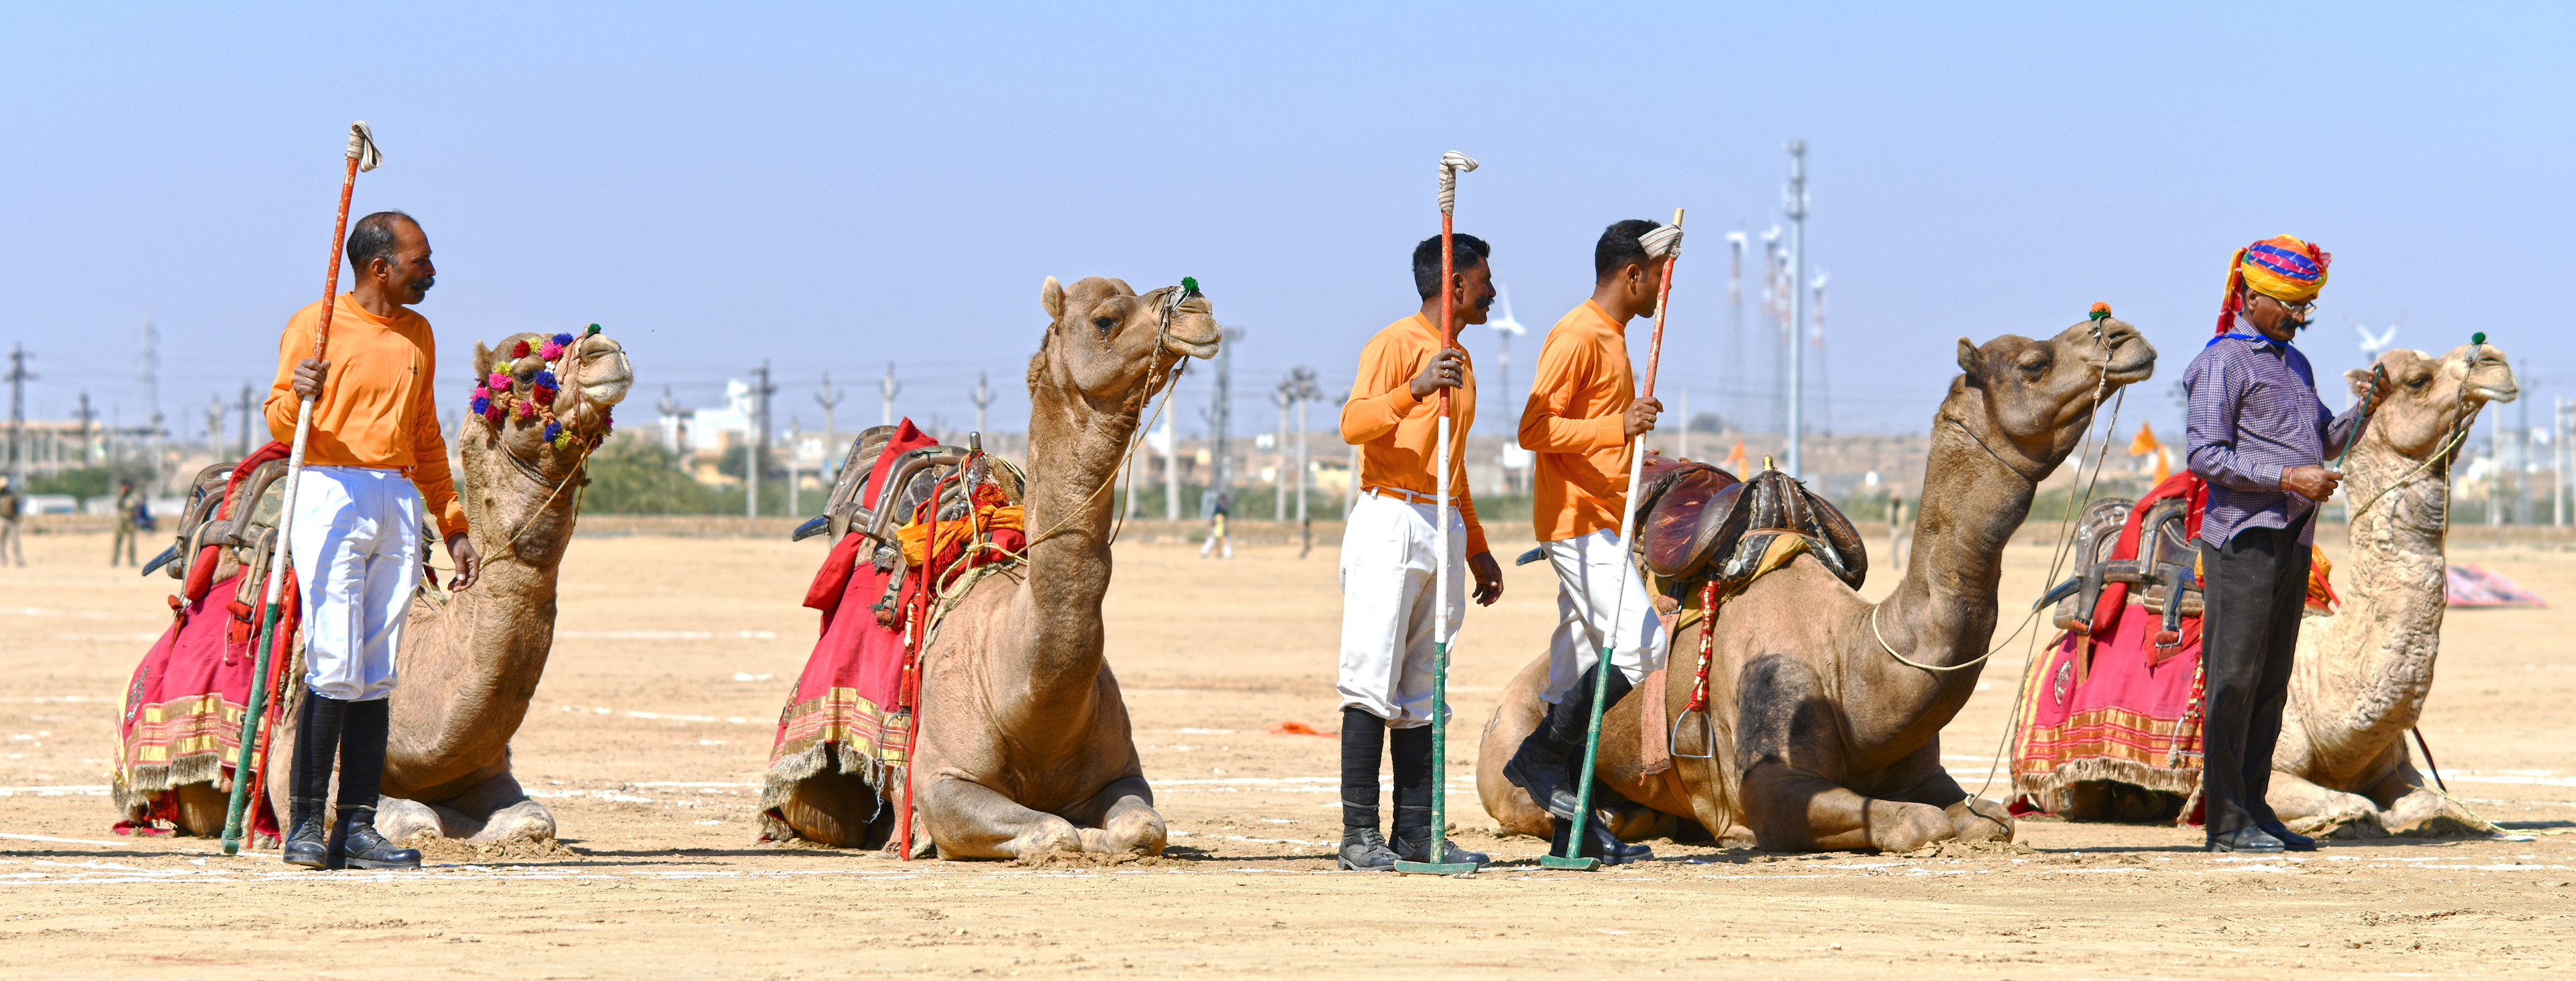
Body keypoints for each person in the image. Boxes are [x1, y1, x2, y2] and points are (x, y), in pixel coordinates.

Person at [266, 210, 483, 871]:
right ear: (380, 266)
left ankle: (357, 827)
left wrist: (453, 521)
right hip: (328, 487)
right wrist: (300, 392)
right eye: (421, 261)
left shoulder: (419, 333)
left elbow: (426, 437)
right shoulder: (317, 323)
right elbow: (279, 420)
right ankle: (306, 824)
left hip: (395, 495)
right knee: (333, 659)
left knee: (376, 669)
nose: (432, 272)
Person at [2184, 234, 2378, 854]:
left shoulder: (2295, 365)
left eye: (2306, 309)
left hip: (2294, 539)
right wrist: (2289, 478)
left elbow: (2324, 440)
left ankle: (2255, 808)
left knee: (2270, 682)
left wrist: (2369, 406)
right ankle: (2226, 820)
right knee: (2233, 679)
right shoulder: (2223, 362)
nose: (2300, 318)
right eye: (2291, 307)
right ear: (2251, 296)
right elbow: (2204, 455)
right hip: (2244, 538)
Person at [1332, 233, 1507, 871]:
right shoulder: (1395, 344)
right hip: (1391, 516)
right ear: (1454, 285)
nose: (1493, 290)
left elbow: (1452, 467)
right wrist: (1415, 387)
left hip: (1442, 523)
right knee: (1370, 677)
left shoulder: (1461, 357)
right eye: (1484, 279)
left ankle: (1415, 834)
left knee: (1422, 683)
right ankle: (1358, 835)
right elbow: (1354, 423)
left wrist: (1478, 547)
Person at [1505, 219, 1678, 865]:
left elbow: (1591, 434)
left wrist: (1629, 446)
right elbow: (1534, 427)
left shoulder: (1614, 338)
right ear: (1632, 274)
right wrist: (1618, 424)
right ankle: (1540, 758)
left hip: (1604, 517)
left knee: (1574, 673)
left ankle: (1569, 828)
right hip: (1578, 525)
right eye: (1657, 278)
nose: (1661, 291)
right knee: (1643, 645)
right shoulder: (1578, 333)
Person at [109, 480, 140, 566]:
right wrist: (121, 494)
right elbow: (117, 505)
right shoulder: (120, 496)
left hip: (130, 521)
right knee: (117, 542)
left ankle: (132, 560)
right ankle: (115, 560)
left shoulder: (133, 496)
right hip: (120, 522)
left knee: (131, 543)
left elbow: (132, 506)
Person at [1198, 493, 1232, 559]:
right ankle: (1204, 552)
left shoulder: (1225, 508)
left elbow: (1226, 519)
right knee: (1211, 539)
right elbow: (1214, 518)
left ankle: (1228, 554)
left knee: (1226, 540)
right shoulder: (1218, 507)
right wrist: (1211, 526)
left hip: (1223, 527)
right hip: (1217, 526)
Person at [0, 475, 23, 566]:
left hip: (10, 520)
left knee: (14, 541)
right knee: (5, 541)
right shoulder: (10, 494)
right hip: (4, 519)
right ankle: (5, 560)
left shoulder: (12, 494)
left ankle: (17, 560)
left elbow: (17, 505)